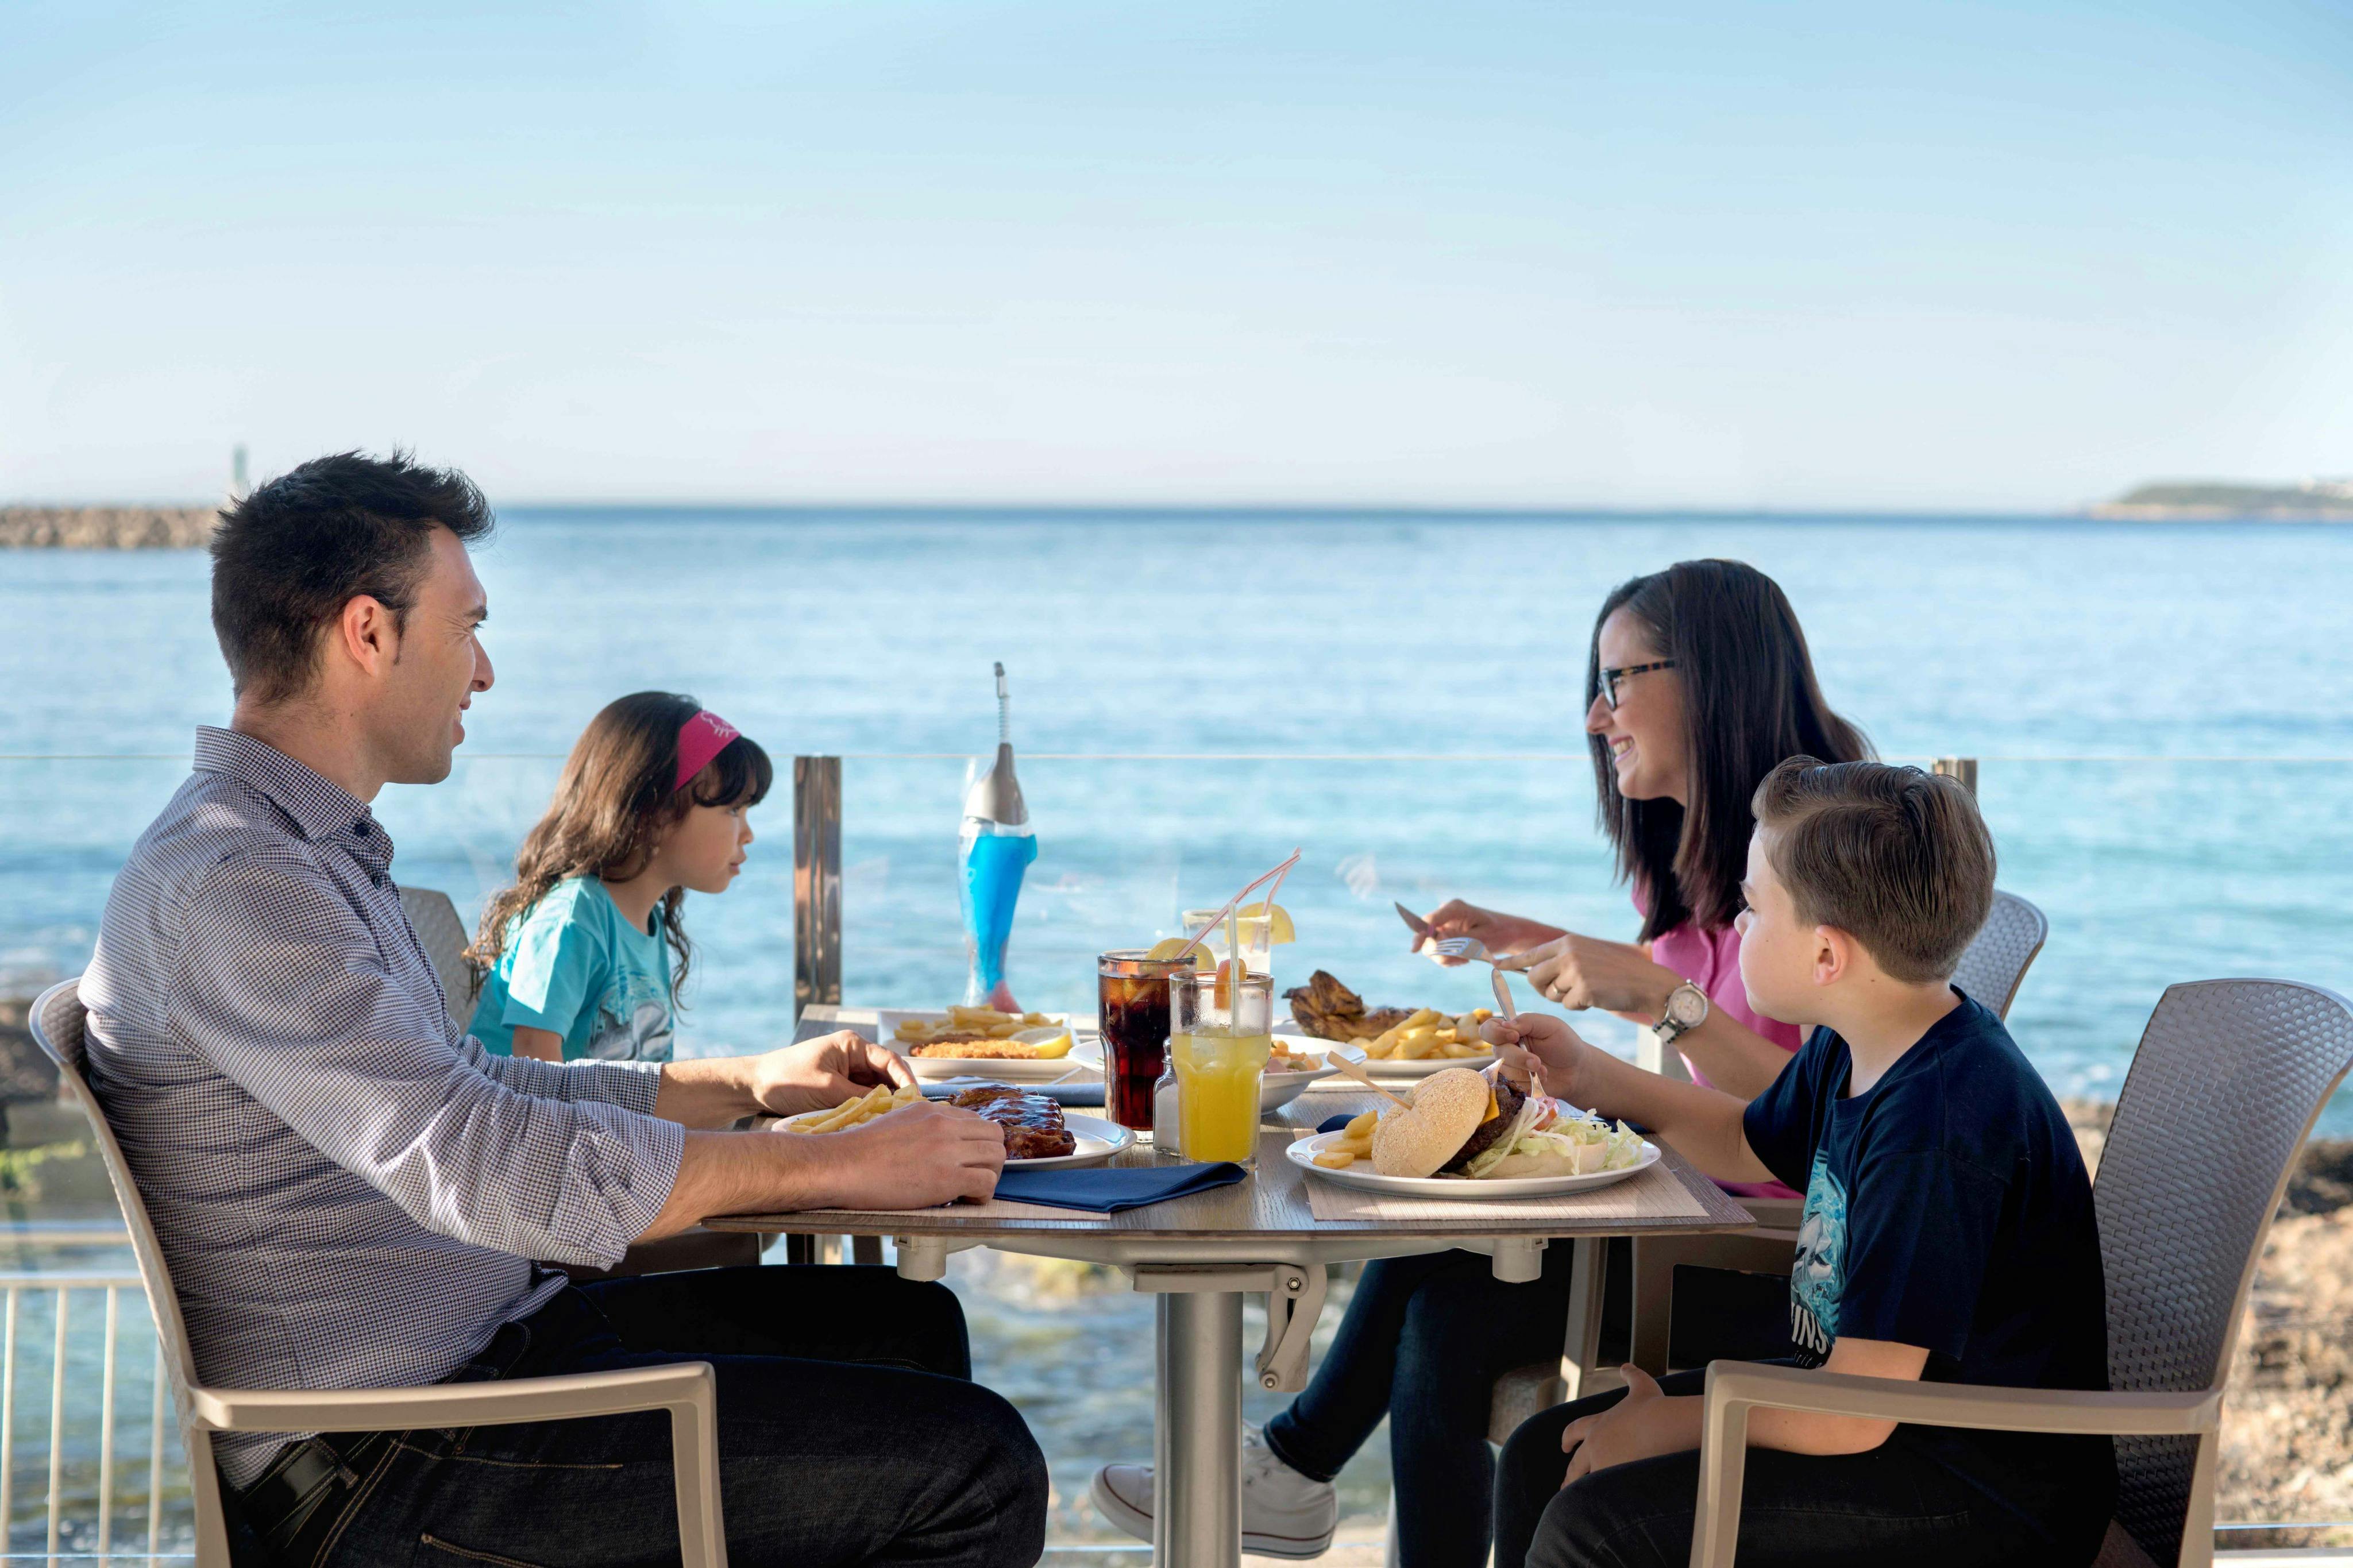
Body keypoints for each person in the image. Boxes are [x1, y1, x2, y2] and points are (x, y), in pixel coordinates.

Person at [78, 451, 1046, 1568]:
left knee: (907, 1332)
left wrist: (745, 1085)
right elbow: (481, 1155)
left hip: (494, 1355)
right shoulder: (238, 879)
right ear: (367, 634)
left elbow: (481, 1088)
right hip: (394, 1464)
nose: (483, 672)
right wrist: (835, 1168)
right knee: (979, 1470)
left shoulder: (304, 854)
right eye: (467, 627)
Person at [1091, 559, 1868, 1566]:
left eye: (1622, 680)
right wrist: (1525, 939)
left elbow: (1836, 1106)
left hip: (1751, 1247)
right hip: (1700, 1197)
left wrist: (1655, 1011)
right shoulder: (1716, 843)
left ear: (1714, 675)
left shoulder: (1822, 846)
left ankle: (1292, 1467)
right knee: (1436, 1242)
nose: (1598, 717)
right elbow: (1693, 980)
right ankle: (1291, 1468)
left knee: (1446, 1305)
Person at [1490, 758, 2114, 1568]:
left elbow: (1856, 1413)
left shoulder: (1938, 1120)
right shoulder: (1861, 1040)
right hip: (1881, 1422)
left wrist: (1674, 1422)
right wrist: (1589, 1077)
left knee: (1600, 1525)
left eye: (1752, 908)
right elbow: (1745, 1140)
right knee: (1545, 1452)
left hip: (1977, 1490)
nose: (1740, 928)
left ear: (1826, 954)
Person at [468, 692, 766, 1063]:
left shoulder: (645, 918)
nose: (749, 833)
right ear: (656, 814)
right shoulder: (574, 917)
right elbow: (533, 1061)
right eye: (734, 810)